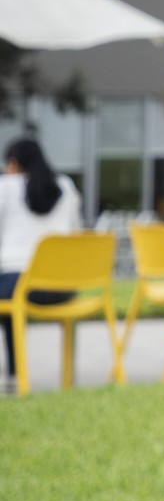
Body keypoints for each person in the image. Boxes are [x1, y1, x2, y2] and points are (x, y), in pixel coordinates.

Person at [0, 137, 83, 392]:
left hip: (18, 284)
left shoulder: (6, 187)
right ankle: (63, 375)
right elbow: (76, 234)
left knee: (9, 298)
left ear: (13, 164)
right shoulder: (67, 187)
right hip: (63, 286)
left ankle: (14, 372)